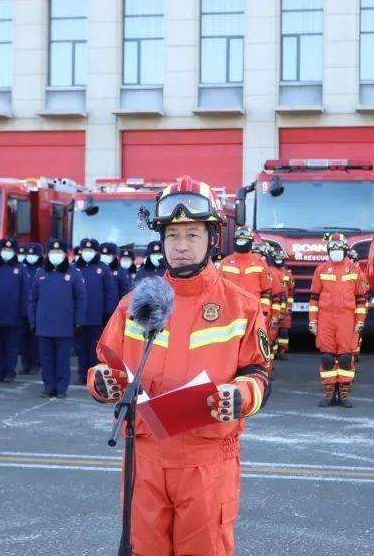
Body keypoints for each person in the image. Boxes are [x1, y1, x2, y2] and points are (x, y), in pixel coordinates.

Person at [88, 175, 271, 556]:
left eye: (191, 235)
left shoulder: (242, 307)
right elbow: (110, 368)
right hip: (145, 458)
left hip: (207, 461)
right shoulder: (134, 304)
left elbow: (258, 375)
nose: (181, 246)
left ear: (211, 239)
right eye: (173, 236)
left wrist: (239, 396)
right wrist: (101, 383)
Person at [309, 233, 367, 407]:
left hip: (347, 319)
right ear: (328, 250)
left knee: (345, 358)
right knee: (327, 357)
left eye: (339, 248)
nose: (336, 252)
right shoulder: (320, 270)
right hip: (325, 319)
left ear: (345, 250)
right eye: (332, 249)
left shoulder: (355, 271)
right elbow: (314, 298)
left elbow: (361, 299)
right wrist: (312, 321)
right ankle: (329, 394)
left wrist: (360, 321)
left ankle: (343, 394)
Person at [28, 239, 86, 398]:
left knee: (62, 360)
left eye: (59, 252)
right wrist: (32, 320)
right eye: (52, 252)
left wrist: (78, 321)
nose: (55, 255)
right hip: (44, 325)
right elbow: (33, 299)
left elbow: (81, 299)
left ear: (65, 254)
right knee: (46, 360)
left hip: (64, 325)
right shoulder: (40, 273)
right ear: (47, 254)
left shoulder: (73, 274)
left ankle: (61, 388)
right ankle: (48, 387)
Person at [73, 238, 117, 385]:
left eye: (90, 251)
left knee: (95, 349)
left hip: (96, 315)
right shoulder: (75, 268)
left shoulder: (102, 268)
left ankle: (93, 374)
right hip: (79, 316)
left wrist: (108, 312)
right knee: (80, 347)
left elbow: (110, 292)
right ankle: (81, 373)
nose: (87, 253)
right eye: (85, 250)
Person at [0, 239, 29, 383]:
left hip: (13, 316)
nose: (6, 253)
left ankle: (10, 372)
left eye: (10, 251)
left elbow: (25, 293)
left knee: (12, 347)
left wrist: (24, 314)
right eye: (4, 250)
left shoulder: (21, 269)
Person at [218, 227, 273, 329]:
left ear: (250, 242)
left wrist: (264, 312)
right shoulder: (225, 262)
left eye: (244, 240)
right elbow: (217, 289)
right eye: (239, 240)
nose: (241, 242)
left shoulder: (260, 263)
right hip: (229, 313)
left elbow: (266, 292)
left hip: (252, 313)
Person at [18, 242, 43, 375]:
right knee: (23, 340)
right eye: (29, 254)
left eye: (34, 254)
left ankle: (35, 364)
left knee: (35, 341)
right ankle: (25, 363)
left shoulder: (42, 270)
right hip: (23, 310)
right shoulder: (23, 268)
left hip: (37, 311)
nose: (30, 256)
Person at [274, 245, 295, 361]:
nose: (278, 260)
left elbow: (292, 291)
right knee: (272, 330)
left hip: (285, 306)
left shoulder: (287, 274)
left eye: (280, 258)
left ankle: (282, 351)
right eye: (276, 258)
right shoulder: (269, 271)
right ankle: (272, 352)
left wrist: (289, 306)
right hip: (275, 305)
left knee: (283, 330)